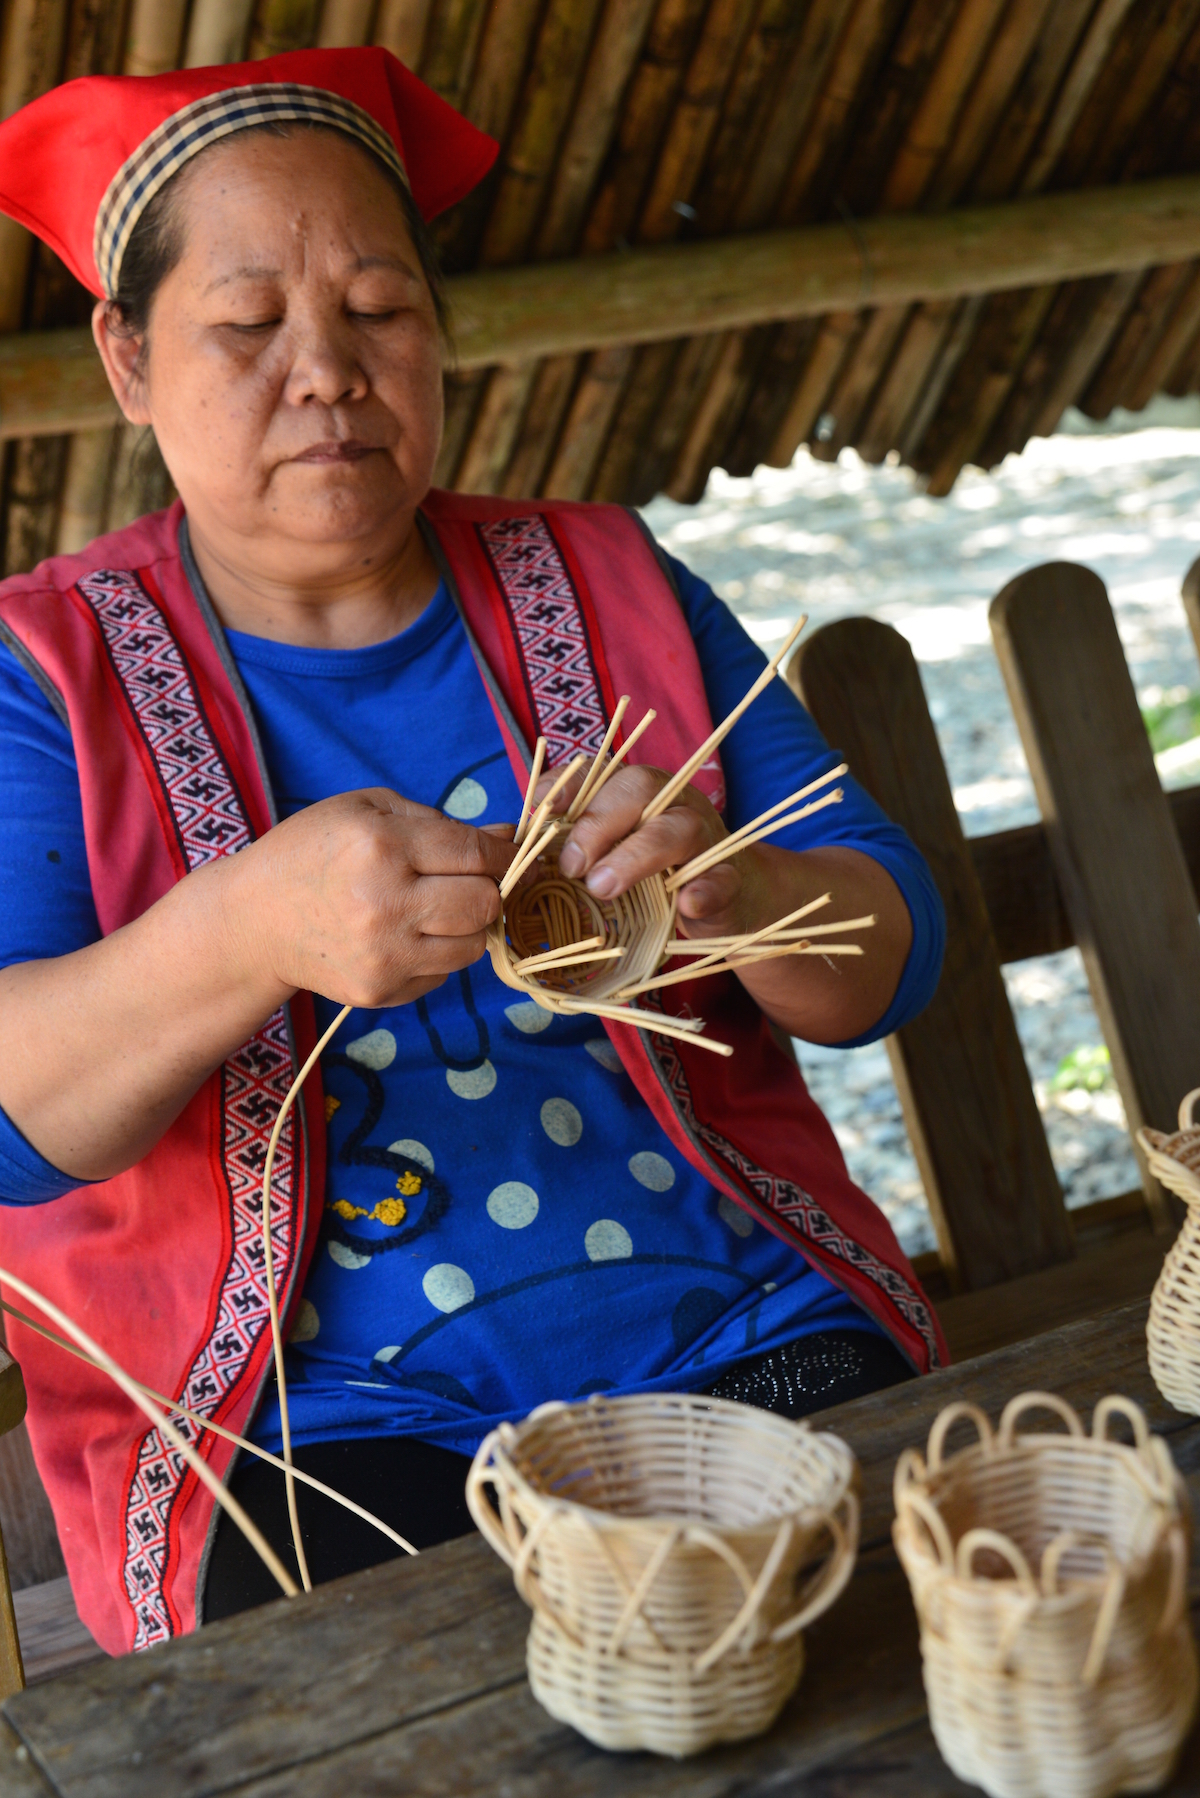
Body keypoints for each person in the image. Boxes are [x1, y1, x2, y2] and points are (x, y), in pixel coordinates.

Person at [0, 47, 946, 1657]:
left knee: (859, 1653)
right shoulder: (46, 680)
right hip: (312, 1427)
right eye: (245, 325)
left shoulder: (609, 577)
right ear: (129, 358)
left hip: (736, 1322)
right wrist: (238, 931)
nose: (327, 369)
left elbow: (887, 945)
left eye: (377, 306)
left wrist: (731, 887)